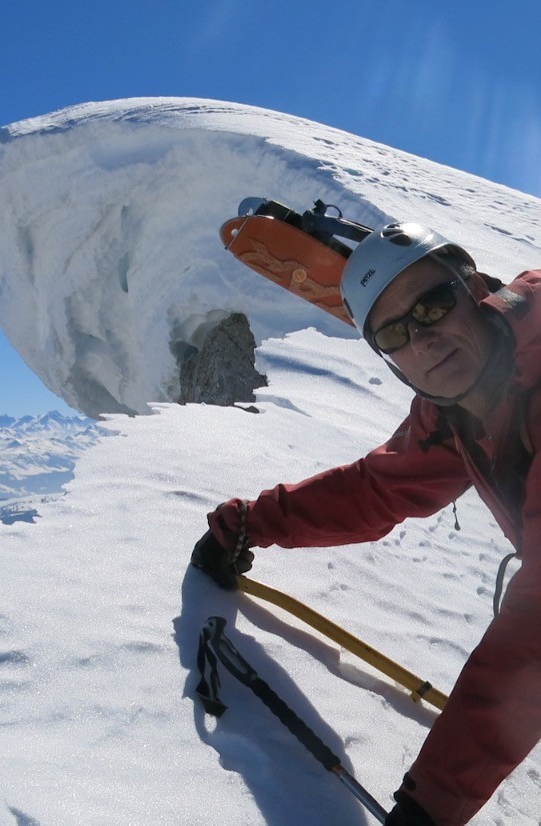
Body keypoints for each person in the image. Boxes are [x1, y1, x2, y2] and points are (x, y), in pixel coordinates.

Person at [192, 222, 541, 826]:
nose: (424, 340)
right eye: (395, 332)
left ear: (474, 287)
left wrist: (431, 804)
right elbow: (376, 490)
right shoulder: (460, 401)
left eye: (433, 305)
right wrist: (248, 524)